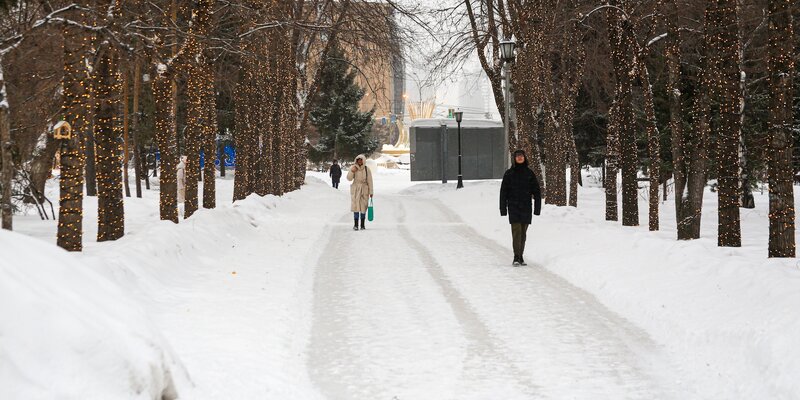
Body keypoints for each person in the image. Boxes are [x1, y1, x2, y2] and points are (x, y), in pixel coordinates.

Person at [500, 149, 542, 266]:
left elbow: (537, 191)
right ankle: (516, 257)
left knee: (523, 233)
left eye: (521, 156)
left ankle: (521, 256)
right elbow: (503, 193)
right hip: (513, 207)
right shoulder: (509, 174)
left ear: (524, 158)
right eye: (517, 156)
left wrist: (537, 209)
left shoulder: (529, 173)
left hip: (526, 207)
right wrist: (503, 209)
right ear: (514, 158)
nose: (519, 158)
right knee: (516, 232)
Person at [347, 154, 373, 231]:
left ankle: (362, 225)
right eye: (358, 160)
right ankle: (355, 225)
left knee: (363, 207)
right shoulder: (353, 168)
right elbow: (349, 178)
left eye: (361, 160)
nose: (359, 161)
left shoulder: (367, 169)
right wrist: (352, 171)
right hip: (356, 190)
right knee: (356, 207)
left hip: (364, 190)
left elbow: (370, 181)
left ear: (364, 161)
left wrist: (371, 191)